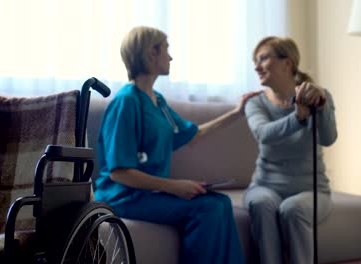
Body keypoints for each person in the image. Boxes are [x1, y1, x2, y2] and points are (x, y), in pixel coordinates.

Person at [94, 26, 261, 264]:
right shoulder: (126, 103)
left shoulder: (158, 101)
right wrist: (174, 186)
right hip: (124, 197)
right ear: (151, 53)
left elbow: (191, 134)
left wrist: (236, 113)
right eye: (166, 49)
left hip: (149, 194)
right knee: (207, 209)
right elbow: (120, 172)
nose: (170, 57)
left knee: (221, 202)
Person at [242, 36, 337, 264]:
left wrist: (321, 108)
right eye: (255, 61)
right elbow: (264, 134)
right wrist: (298, 117)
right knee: (261, 203)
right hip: (264, 186)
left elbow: (328, 138)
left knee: (293, 208)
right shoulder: (255, 103)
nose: (256, 66)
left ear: (287, 63)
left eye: (263, 58)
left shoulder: (319, 95)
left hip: (311, 191)